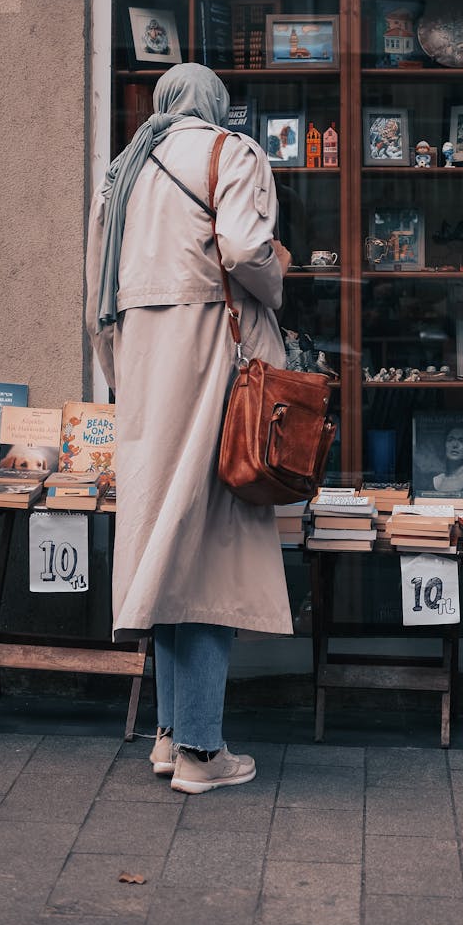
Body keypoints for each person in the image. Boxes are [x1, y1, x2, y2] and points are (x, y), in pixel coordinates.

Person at [85, 62, 293, 795]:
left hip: (144, 373)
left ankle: (172, 736)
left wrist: (124, 373)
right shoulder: (226, 152)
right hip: (210, 360)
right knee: (208, 551)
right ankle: (204, 752)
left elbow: (96, 303)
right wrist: (278, 275)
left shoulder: (122, 173)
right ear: (216, 106)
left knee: (165, 546)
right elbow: (242, 250)